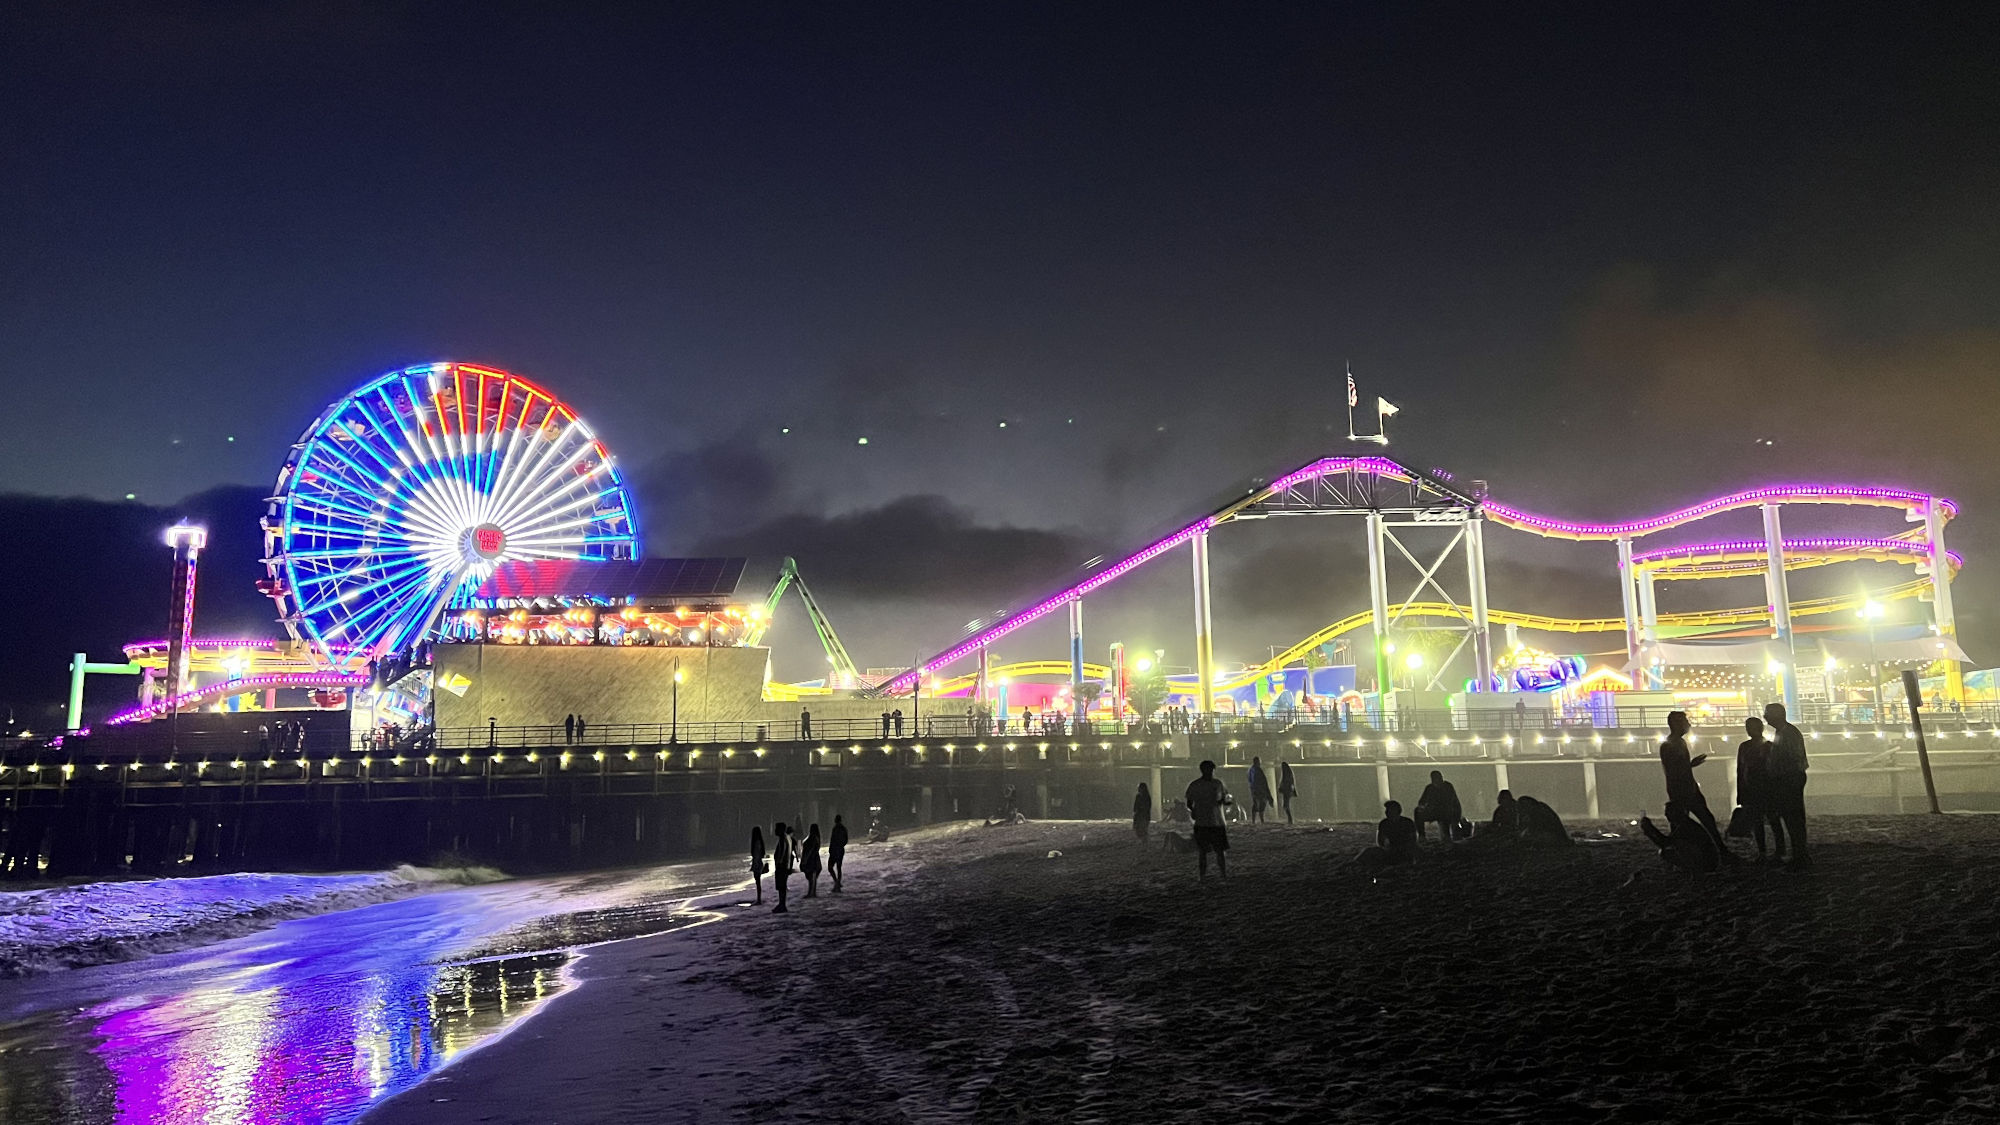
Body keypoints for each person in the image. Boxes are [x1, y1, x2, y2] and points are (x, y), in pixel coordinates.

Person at [1658, 711, 1732, 860]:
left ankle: (1678, 853)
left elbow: (1675, 768)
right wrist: (1691, 765)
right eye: (1685, 722)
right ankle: (1720, 850)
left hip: (1685, 789)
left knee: (1685, 823)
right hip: (1683, 790)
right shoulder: (1671, 745)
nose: (1688, 725)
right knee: (1701, 821)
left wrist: (1690, 765)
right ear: (1676, 724)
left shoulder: (1674, 743)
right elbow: (1675, 770)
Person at [1763, 702, 1811, 869]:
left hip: (1788, 780)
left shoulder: (1786, 734)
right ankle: (1799, 853)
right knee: (1794, 817)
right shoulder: (1787, 732)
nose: (1765, 717)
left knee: (1793, 818)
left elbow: (1789, 759)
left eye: (1767, 713)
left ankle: (1800, 855)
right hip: (1790, 779)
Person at [1735, 717, 1784, 861]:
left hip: (1756, 789)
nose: (1748, 730)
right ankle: (1778, 851)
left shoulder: (1744, 747)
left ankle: (1764, 852)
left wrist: (1741, 791)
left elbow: (1741, 770)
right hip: (1764, 789)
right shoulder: (1769, 746)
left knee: (1760, 822)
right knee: (1771, 821)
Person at [1639, 801, 1721, 874]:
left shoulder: (1686, 826)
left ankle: (1694, 869)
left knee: (1675, 848)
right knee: (1666, 852)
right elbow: (1664, 844)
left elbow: (1666, 842)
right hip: (1709, 860)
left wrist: (1651, 829)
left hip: (1707, 860)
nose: (1666, 815)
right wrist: (1649, 833)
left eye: (1668, 812)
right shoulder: (1681, 824)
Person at [1184, 760, 1232, 877]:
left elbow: (1189, 803)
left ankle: (1209, 876)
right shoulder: (1216, 784)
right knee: (1212, 851)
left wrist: (1194, 810)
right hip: (1212, 822)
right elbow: (1189, 803)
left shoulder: (1196, 785)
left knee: (1208, 852)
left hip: (1210, 822)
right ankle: (1218, 874)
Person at [1356, 800, 1419, 872]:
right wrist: (1387, 848)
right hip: (1391, 849)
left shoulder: (1407, 822)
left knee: (1414, 850)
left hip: (1404, 848)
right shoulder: (1384, 823)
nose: (1386, 812)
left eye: (1389, 810)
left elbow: (1413, 839)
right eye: (1387, 810)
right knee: (1368, 851)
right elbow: (1380, 841)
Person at [1414, 770, 1463, 842]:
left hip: (1447, 811)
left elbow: (1450, 802)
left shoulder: (1448, 787)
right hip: (1434, 811)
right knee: (1417, 812)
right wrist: (1422, 807)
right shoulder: (1429, 788)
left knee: (1445, 813)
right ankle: (1422, 835)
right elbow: (1422, 801)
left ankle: (1446, 836)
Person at [771, 822, 795, 913]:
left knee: (781, 886)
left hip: (782, 866)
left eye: (776, 829)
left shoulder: (782, 838)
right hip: (786, 865)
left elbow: (782, 851)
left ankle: (782, 905)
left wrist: (779, 862)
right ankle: (782, 904)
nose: (775, 831)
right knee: (782, 886)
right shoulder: (787, 837)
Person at [1246, 757, 1274, 824]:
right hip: (1260, 790)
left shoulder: (1250, 770)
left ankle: (1254, 820)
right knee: (1262, 803)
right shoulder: (1258, 770)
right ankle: (1261, 820)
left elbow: (1249, 780)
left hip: (1254, 789)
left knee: (1255, 803)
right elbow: (1263, 781)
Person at [801, 824, 823, 898]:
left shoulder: (812, 838)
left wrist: (804, 860)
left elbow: (809, 851)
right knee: (813, 877)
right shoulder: (816, 838)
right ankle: (812, 892)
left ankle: (811, 893)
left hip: (811, 860)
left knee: (811, 877)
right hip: (815, 859)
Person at [828, 815, 848, 892]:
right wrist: (841, 845)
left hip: (834, 850)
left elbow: (833, 840)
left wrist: (832, 848)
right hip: (840, 850)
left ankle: (837, 882)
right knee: (838, 868)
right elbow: (846, 840)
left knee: (830, 867)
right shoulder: (843, 828)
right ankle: (838, 882)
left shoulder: (835, 828)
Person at [749, 826, 768, 904]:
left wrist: (754, 865)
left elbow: (756, 855)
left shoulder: (756, 843)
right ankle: (758, 898)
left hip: (757, 863)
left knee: (758, 882)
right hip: (759, 863)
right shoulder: (760, 842)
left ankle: (759, 899)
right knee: (758, 882)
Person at [1277, 760, 1297, 825]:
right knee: (1286, 805)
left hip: (1287, 791)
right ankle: (1290, 819)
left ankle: (1290, 819)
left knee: (1285, 805)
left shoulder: (1286, 775)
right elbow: (1292, 783)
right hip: (1288, 791)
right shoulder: (1290, 774)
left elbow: (1285, 782)